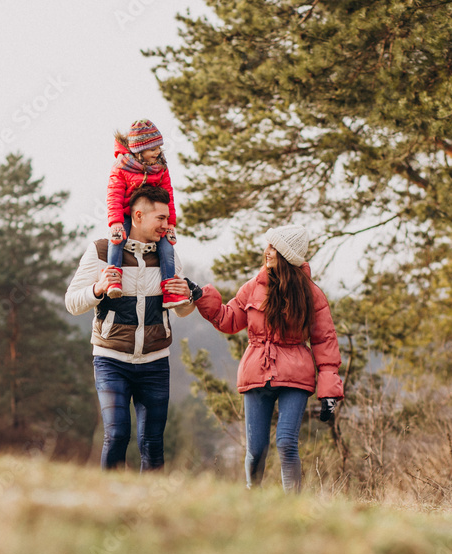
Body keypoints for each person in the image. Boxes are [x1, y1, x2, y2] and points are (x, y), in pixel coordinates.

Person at [188, 225, 344, 492]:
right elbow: (228, 319)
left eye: (273, 248)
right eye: (268, 246)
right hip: (257, 372)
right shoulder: (253, 287)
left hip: (295, 376)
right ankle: (253, 499)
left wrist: (329, 391)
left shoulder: (311, 295)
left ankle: (293, 508)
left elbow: (325, 341)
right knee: (257, 449)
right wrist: (203, 297)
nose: (267, 252)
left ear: (286, 255)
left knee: (286, 442)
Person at [65, 185, 195, 471]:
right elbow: (72, 303)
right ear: (137, 216)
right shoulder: (101, 251)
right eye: (160, 218)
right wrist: (98, 288)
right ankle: (108, 502)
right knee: (117, 434)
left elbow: (183, 311)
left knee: (153, 443)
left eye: (167, 218)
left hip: (155, 363)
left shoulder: (168, 257)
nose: (167, 224)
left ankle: (151, 510)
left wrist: (186, 297)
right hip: (111, 360)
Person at [105, 119, 186, 309]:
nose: (157, 152)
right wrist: (116, 222)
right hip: (126, 214)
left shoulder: (161, 167)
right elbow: (114, 196)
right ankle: (114, 278)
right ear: (138, 150)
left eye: (159, 148)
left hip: (152, 218)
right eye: (152, 149)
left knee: (167, 248)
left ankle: (169, 289)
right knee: (116, 241)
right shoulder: (121, 167)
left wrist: (171, 223)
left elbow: (169, 196)